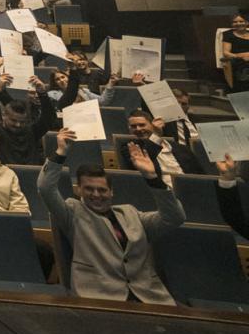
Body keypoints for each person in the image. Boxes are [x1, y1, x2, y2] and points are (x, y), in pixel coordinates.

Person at [38, 127, 185, 303]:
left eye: (102, 190)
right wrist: (61, 151)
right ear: (80, 190)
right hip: (98, 296)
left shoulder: (130, 213)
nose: (96, 195)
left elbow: (175, 217)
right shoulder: (73, 212)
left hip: (148, 297)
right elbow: (45, 188)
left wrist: (152, 177)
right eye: (89, 189)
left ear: (111, 192)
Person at [221, 15, 249, 90]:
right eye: (235, 22)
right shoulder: (228, 34)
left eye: (241, 21)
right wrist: (241, 56)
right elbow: (226, 52)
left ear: (246, 22)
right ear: (232, 24)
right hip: (238, 61)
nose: (238, 23)